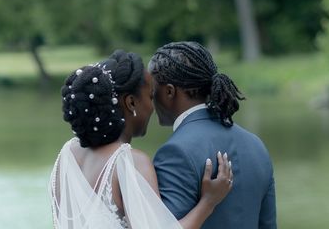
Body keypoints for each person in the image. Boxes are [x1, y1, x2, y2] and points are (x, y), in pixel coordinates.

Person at [49, 50, 233, 229]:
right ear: (131, 103)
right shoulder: (130, 162)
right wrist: (208, 202)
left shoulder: (67, 155)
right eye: (150, 96)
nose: (153, 107)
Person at [149, 41, 277, 229]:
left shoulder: (175, 152)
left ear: (169, 91)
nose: (151, 99)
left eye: (153, 92)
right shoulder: (256, 144)